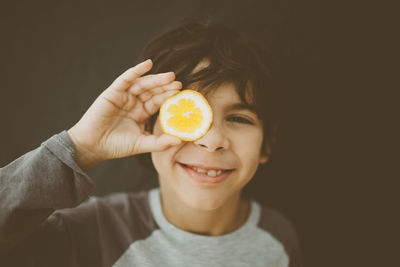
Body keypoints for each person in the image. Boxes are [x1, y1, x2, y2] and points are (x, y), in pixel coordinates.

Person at [0, 20, 302, 266]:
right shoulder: (93, 230)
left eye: (239, 119)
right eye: (188, 114)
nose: (211, 141)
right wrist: (80, 148)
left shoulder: (278, 237)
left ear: (268, 143)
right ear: (148, 124)